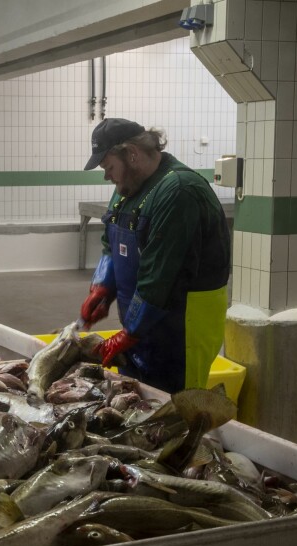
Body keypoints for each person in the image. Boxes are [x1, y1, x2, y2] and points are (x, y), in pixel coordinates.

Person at [79, 118, 230, 393]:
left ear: (132, 155)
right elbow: (110, 244)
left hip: (182, 326)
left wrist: (129, 333)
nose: (107, 176)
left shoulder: (179, 191)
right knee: (138, 403)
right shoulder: (127, 190)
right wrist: (102, 288)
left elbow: (161, 276)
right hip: (144, 322)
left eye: (108, 167)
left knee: (176, 409)